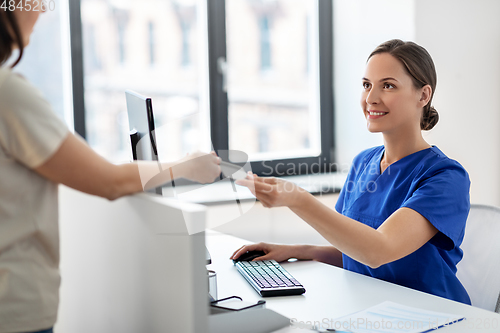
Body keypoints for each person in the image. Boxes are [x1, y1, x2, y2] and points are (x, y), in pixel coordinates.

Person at [0, 6, 221, 333]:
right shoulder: (9, 94)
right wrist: (186, 165)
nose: (43, 9)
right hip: (15, 307)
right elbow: (108, 181)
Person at [232, 39, 471, 305]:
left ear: (423, 95)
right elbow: (356, 248)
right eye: (366, 85)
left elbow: (379, 250)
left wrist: (298, 199)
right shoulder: (363, 163)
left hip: (433, 315)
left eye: (388, 86)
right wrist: (298, 251)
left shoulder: (446, 177)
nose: (371, 98)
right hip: (369, 306)